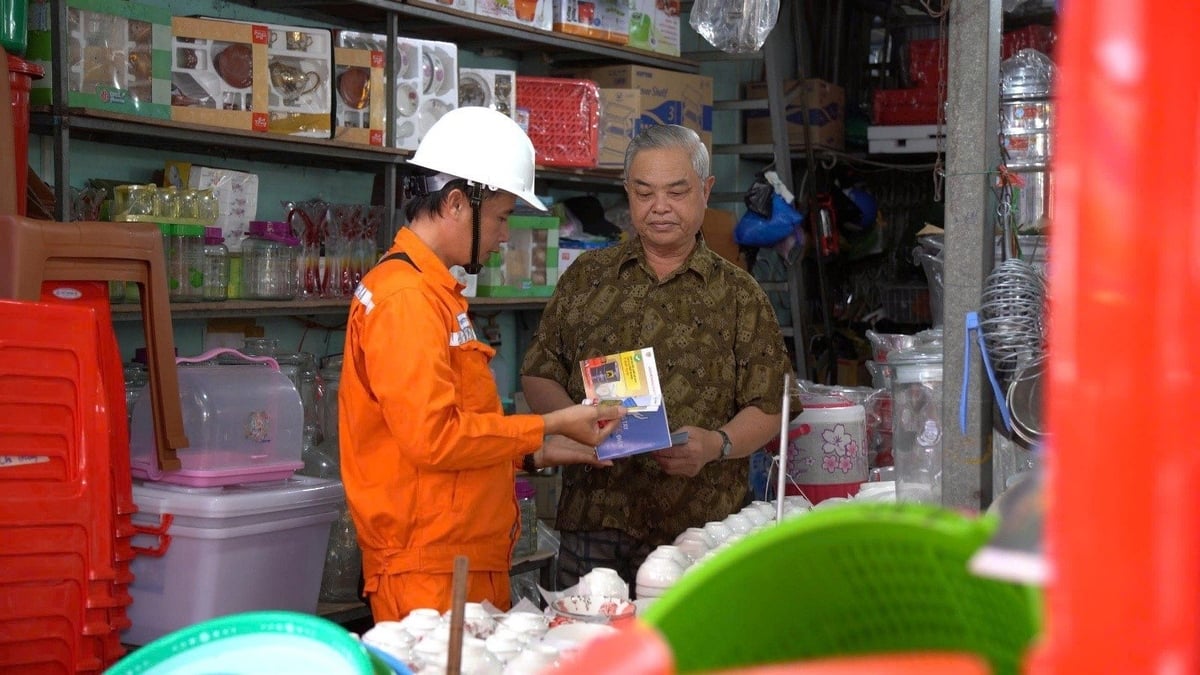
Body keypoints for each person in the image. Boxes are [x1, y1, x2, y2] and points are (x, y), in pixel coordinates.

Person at [338, 107, 625, 622]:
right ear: (455, 204)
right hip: (429, 573)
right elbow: (434, 440)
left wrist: (551, 450)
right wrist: (552, 422)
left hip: (459, 560)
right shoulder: (407, 299)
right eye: (501, 217)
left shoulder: (435, 293)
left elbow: (464, 434)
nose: (504, 235)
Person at [520, 124, 795, 588]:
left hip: (698, 527)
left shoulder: (739, 294)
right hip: (595, 515)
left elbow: (771, 406)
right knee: (586, 652)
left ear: (705, 192)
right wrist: (574, 421)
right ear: (627, 192)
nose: (660, 207)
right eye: (644, 192)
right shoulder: (587, 278)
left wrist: (718, 444)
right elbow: (538, 374)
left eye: (676, 191)